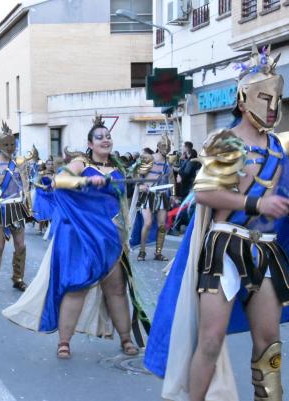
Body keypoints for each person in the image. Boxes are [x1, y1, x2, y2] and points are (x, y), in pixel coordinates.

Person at [144, 45, 289, 401]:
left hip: (266, 251)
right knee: (209, 340)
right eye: (264, 98)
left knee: (269, 341)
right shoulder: (226, 141)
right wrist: (257, 200)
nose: (272, 108)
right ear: (243, 100)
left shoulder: (278, 147)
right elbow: (206, 193)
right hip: (225, 248)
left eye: (277, 99)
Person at [3, 115, 149, 359]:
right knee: (77, 287)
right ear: (90, 144)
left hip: (111, 238)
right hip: (84, 237)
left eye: (108, 136)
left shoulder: (119, 167)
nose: (105, 140)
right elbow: (59, 180)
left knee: (117, 289)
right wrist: (87, 180)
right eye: (99, 137)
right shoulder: (81, 163)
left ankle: (126, 339)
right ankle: (64, 341)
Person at [0, 122, 33, 294]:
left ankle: (18, 278)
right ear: (0, 145)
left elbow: (26, 184)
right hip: (0, 210)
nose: (9, 147)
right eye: (6, 144)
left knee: (20, 245)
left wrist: (29, 204)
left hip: (17, 208)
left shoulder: (19, 162)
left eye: (12, 144)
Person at [135, 134, 174, 261]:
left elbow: (171, 179)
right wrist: (141, 185)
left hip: (162, 195)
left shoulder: (168, 163)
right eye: (163, 146)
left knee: (162, 225)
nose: (166, 149)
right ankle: (142, 251)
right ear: (158, 146)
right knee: (147, 223)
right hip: (148, 194)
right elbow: (138, 177)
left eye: (168, 147)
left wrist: (173, 195)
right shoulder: (149, 159)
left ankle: (158, 253)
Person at [32, 157, 56, 235]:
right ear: (46, 165)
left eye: (52, 164)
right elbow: (35, 183)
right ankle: (40, 228)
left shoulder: (55, 173)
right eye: (49, 164)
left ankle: (50, 229)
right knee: (44, 209)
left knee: (53, 211)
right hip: (42, 194)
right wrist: (43, 187)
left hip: (51, 194)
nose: (50, 166)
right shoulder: (42, 173)